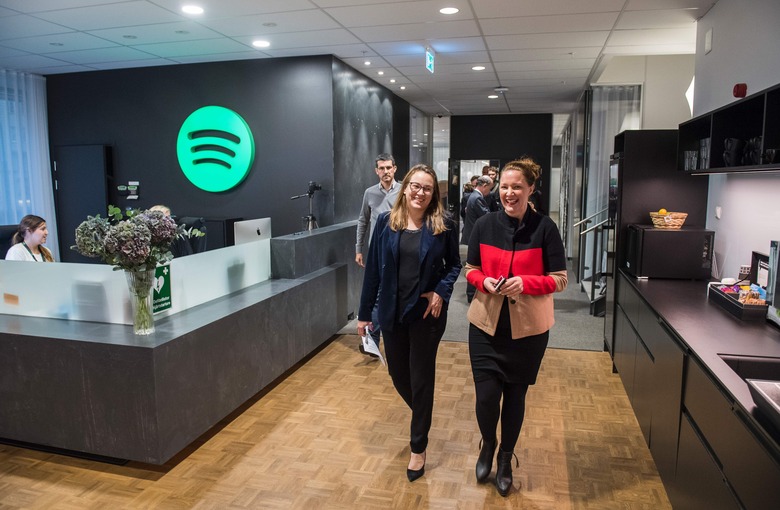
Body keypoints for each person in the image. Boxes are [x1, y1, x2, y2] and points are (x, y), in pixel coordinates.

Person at [464, 157, 567, 497]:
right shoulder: (484, 224)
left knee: (515, 397)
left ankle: (506, 458)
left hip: (528, 332)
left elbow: (560, 279)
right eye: (505, 187)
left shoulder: (545, 228)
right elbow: (470, 269)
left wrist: (526, 283)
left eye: (517, 187)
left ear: (531, 189)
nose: (509, 193)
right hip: (485, 325)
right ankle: (488, 444)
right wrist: (484, 281)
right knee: (486, 397)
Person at [357, 164, 461, 482]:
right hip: (392, 312)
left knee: (421, 378)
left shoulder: (444, 224)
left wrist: (441, 292)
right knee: (398, 373)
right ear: (406, 188)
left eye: (427, 188)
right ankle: (423, 413)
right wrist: (363, 315)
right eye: (415, 186)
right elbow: (373, 271)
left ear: (433, 195)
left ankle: (418, 446)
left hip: (426, 316)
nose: (419, 192)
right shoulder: (387, 223)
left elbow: (454, 265)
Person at [355, 153, 401, 357]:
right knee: (375, 295)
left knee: (390, 294)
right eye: (381, 168)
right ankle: (372, 342)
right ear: (376, 171)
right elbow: (363, 221)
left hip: (398, 251)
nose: (385, 172)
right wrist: (358, 249)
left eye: (388, 168)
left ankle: (388, 339)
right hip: (376, 252)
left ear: (395, 169)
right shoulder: (370, 193)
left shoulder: (403, 192)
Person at [461, 175, 493, 302]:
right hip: (475, 236)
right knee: (474, 265)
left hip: (472, 235)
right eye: (489, 188)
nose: (489, 192)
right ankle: (471, 294)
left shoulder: (473, 197)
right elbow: (487, 216)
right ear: (484, 185)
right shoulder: (477, 198)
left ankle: (472, 293)